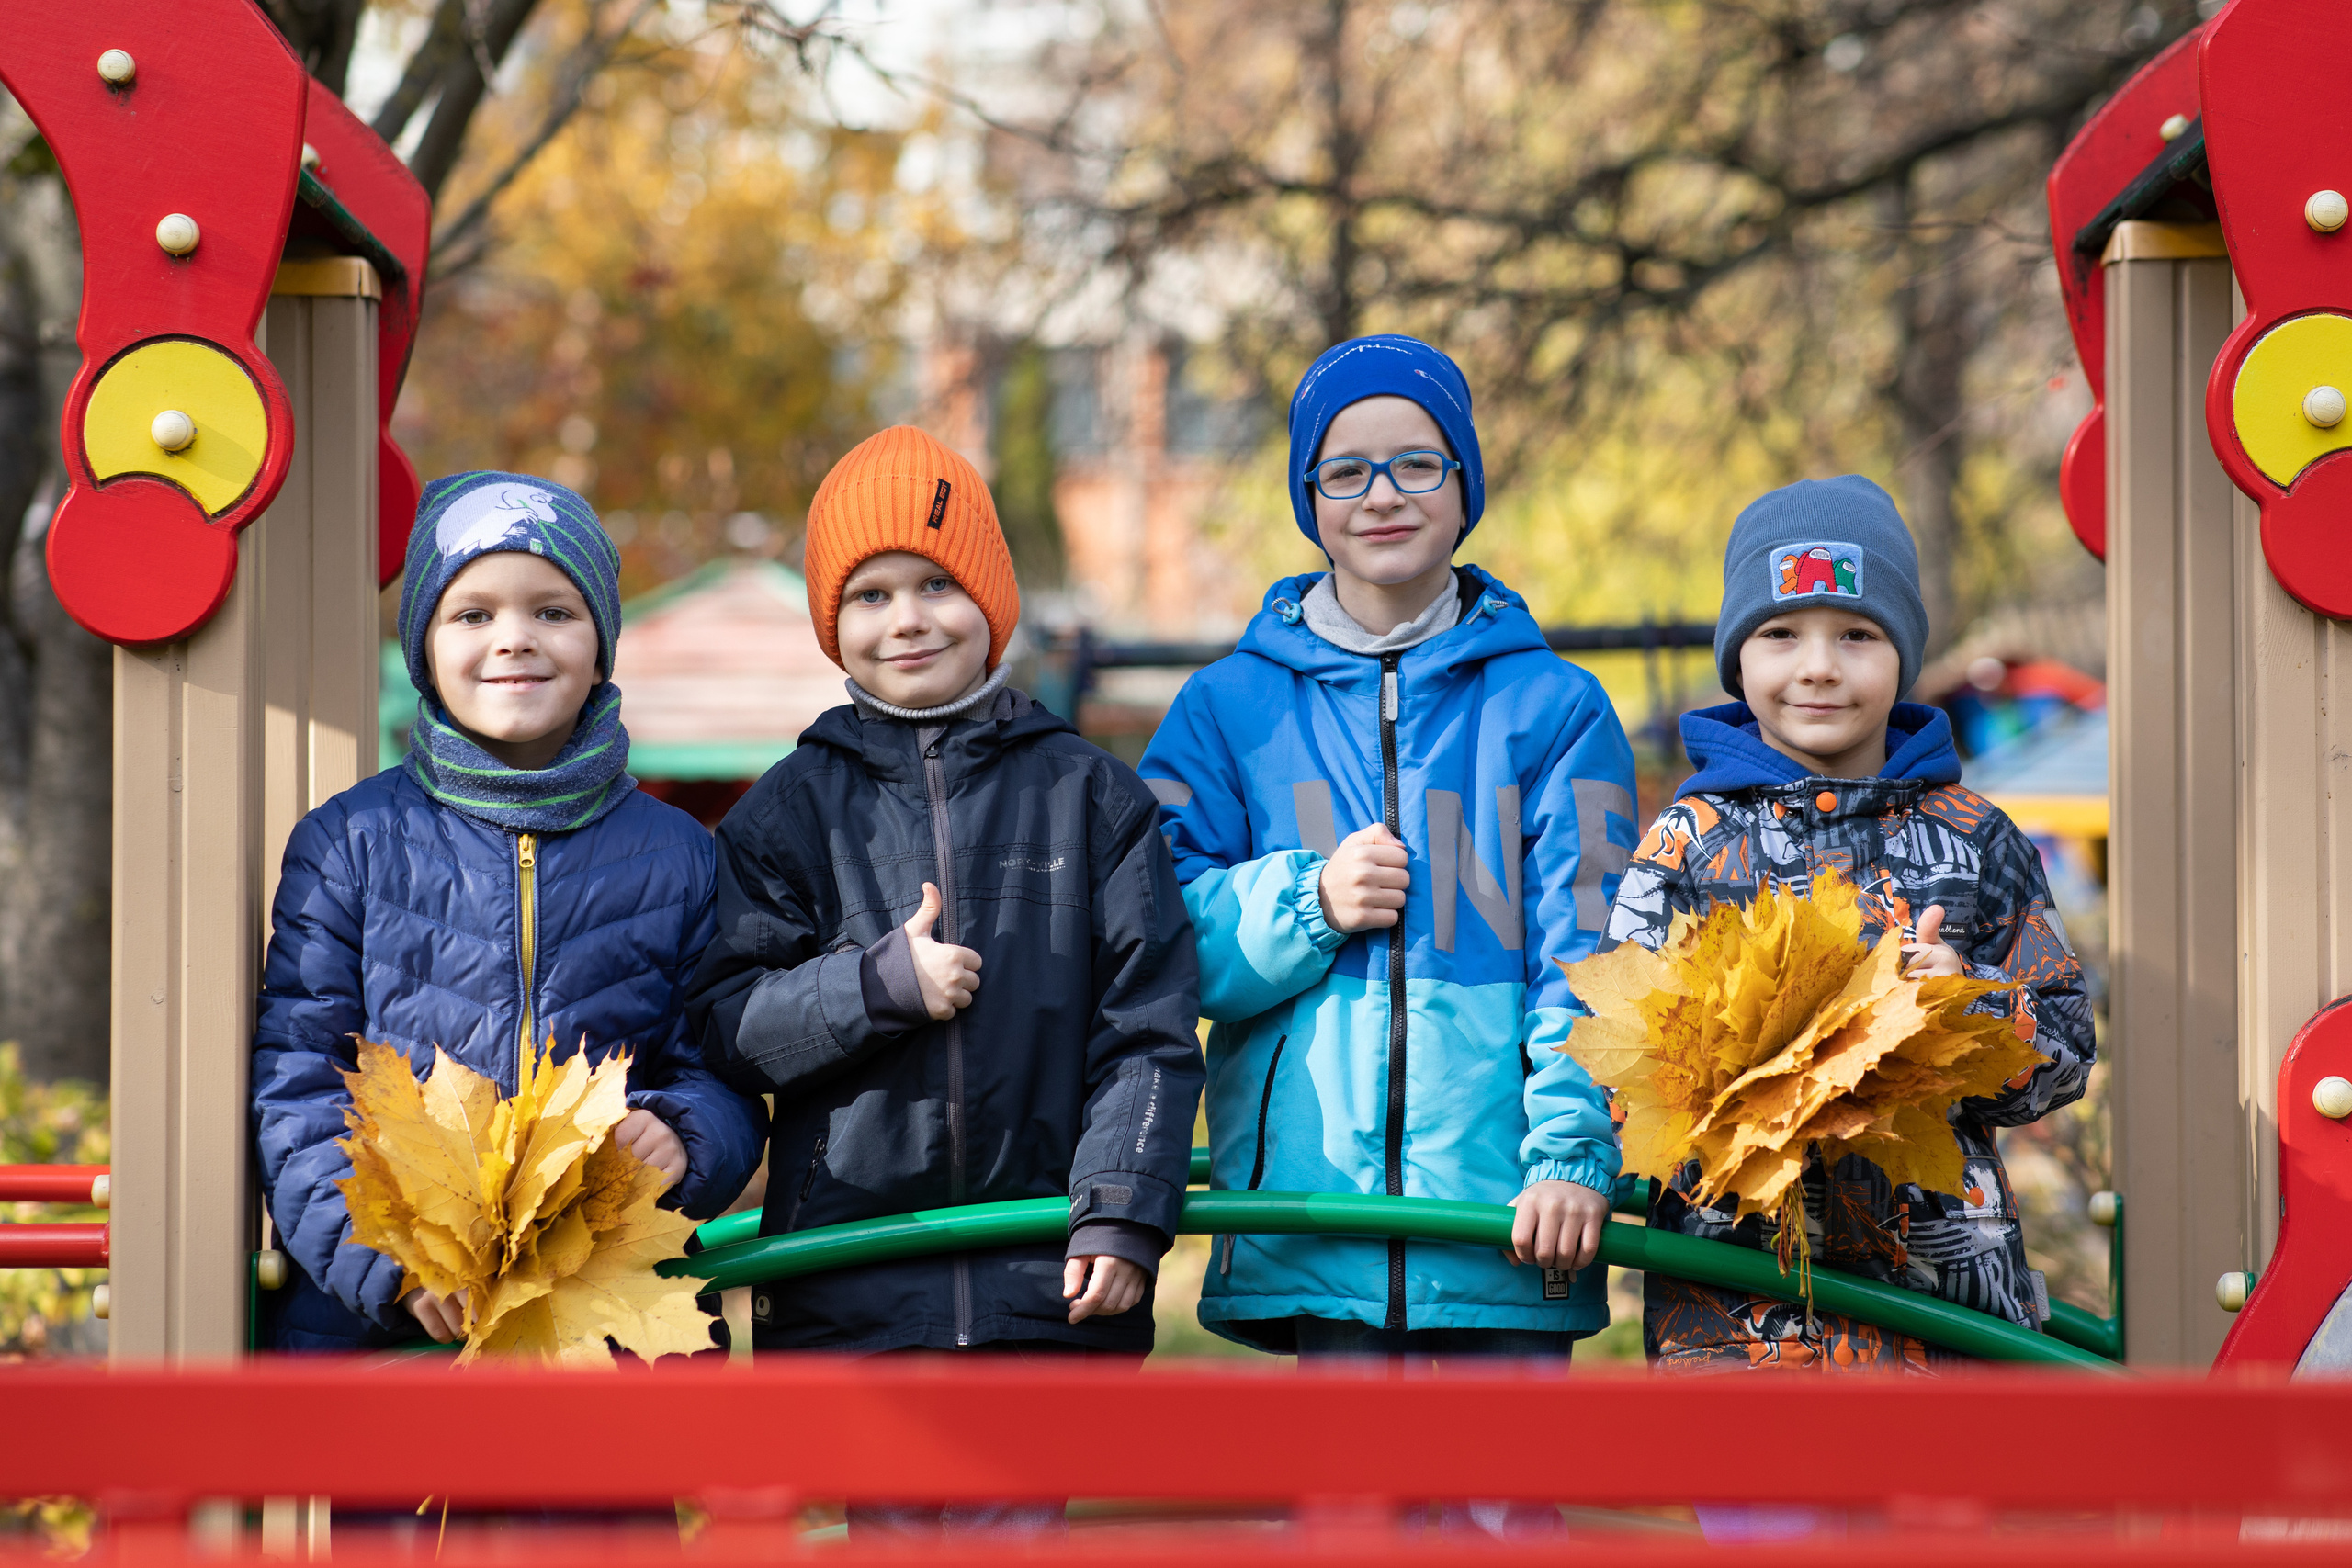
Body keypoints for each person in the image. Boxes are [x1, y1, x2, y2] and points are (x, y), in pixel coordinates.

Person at [1136, 335, 1640, 1375]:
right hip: (1309, 1206)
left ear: (1464, 488)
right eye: (1344, 470)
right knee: (1343, 1525)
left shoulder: (1555, 710)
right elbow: (1155, 938)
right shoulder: (1225, 710)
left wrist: (1568, 1154)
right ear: (1308, 497)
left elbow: (1592, 953)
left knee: (1504, 1529)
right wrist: (1306, 900)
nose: (1382, 495)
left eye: (1417, 463)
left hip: (1506, 1214)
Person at [684, 425, 1201, 1371]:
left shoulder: (1089, 797)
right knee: (887, 1523)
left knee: (1021, 1519)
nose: (908, 620)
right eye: (871, 595)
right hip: (851, 1287)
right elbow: (728, 1024)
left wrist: (1124, 1209)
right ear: (832, 621)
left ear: (990, 599)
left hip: (1047, 1283)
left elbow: (1147, 1030)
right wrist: (874, 988)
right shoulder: (788, 812)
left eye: (937, 585)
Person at [253, 471, 768, 1351]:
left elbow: (723, 1062)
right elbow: (297, 1085)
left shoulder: (682, 854)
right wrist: (395, 1260)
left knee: (591, 1493)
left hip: (597, 1315)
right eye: (474, 614)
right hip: (391, 1332)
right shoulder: (351, 843)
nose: (516, 639)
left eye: (555, 612)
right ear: (423, 645)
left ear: (602, 646)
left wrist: (686, 1134)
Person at [1602, 475, 2096, 1374]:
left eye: (1857, 636)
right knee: (1769, 1515)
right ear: (1738, 658)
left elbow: (2061, 1059)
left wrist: (1967, 1009)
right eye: (1781, 634)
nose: (1819, 666)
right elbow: (1614, 1065)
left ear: (1903, 654)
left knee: (1936, 1519)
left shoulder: (1974, 839)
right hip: (1741, 1322)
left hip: (1944, 1322)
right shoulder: (1691, 842)